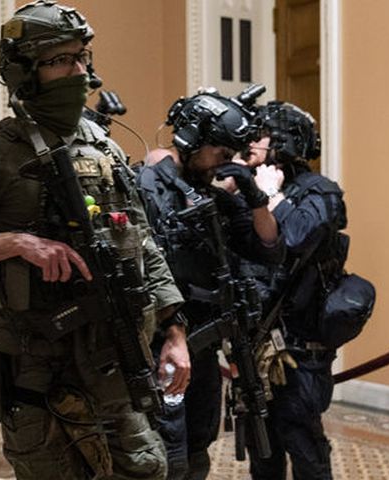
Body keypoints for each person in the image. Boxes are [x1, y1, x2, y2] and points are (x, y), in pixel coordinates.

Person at [0, 2, 187, 478]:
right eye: (61, 60)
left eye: (82, 57)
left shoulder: (104, 148)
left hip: (116, 364)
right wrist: (15, 243)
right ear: (24, 72)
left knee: (146, 468)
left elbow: (143, 242)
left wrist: (174, 331)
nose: (79, 72)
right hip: (41, 377)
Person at [135, 88, 285, 479]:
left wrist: (254, 196)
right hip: (160, 343)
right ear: (192, 140)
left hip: (203, 343)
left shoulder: (213, 196)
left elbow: (269, 248)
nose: (226, 160)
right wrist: (173, 329)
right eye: (221, 151)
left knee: (198, 443)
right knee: (166, 449)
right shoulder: (149, 189)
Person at [243, 102, 346, 480]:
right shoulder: (249, 184)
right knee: (262, 448)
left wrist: (271, 196)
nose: (249, 143)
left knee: (304, 445)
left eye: (258, 135)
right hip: (256, 343)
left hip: (300, 348)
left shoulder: (320, 191)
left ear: (281, 141)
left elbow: (301, 235)